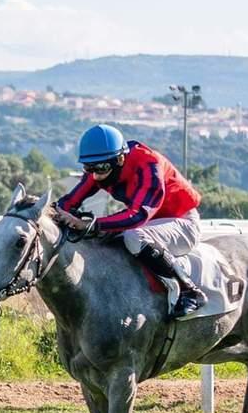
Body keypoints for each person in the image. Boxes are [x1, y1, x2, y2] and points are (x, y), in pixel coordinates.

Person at [51, 124, 207, 319]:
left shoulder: (149, 165)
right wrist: (47, 213)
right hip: (150, 224)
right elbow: (70, 201)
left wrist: (91, 224)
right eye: (88, 168)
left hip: (181, 222)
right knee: (100, 239)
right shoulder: (102, 163)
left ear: (120, 159)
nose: (95, 175)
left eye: (101, 168)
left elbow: (138, 216)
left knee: (133, 236)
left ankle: (189, 290)